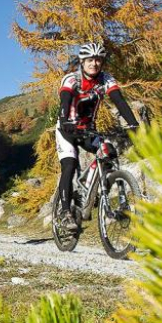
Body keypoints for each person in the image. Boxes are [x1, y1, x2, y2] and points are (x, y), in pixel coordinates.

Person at [56, 42, 139, 229]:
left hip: (88, 130)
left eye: (98, 60)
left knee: (109, 152)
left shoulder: (106, 79)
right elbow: (65, 100)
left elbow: (119, 100)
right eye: (90, 60)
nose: (94, 63)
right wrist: (64, 119)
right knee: (69, 165)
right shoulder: (72, 79)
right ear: (82, 61)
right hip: (66, 130)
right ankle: (65, 212)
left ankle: (118, 203)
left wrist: (133, 124)